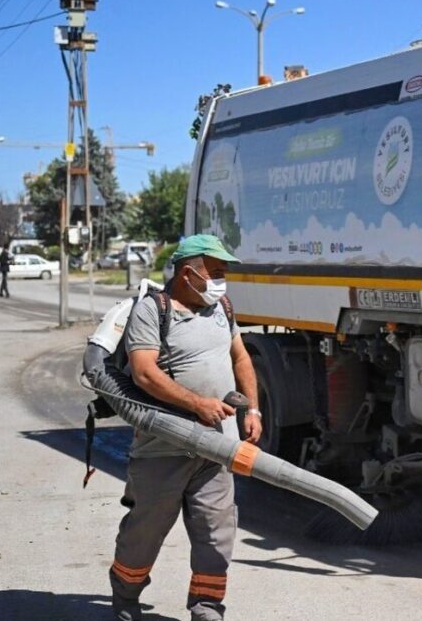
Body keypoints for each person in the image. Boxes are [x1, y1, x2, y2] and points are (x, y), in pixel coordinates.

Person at [109, 234, 260, 621]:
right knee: (144, 533)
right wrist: (196, 404)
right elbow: (143, 372)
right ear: (189, 272)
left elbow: (240, 357)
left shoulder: (221, 307)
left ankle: (207, 608)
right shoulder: (152, 310)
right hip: (164, 446)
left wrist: (253, 410)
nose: (221, 281)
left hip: (217, 448)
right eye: (216, 272)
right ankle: (126, 598)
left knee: (216, 532)